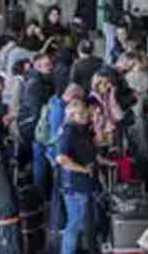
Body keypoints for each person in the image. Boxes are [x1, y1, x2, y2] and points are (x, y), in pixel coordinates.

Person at [56, 100, 98, 254]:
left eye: (85, 113)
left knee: (78, 224)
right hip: (75, 185)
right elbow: (61, 159)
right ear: (72, 116)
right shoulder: (68, 132)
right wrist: (82, 170)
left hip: (83, 184)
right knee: (74, 224)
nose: (85, 116)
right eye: (81, 114)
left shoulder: (82, 130)